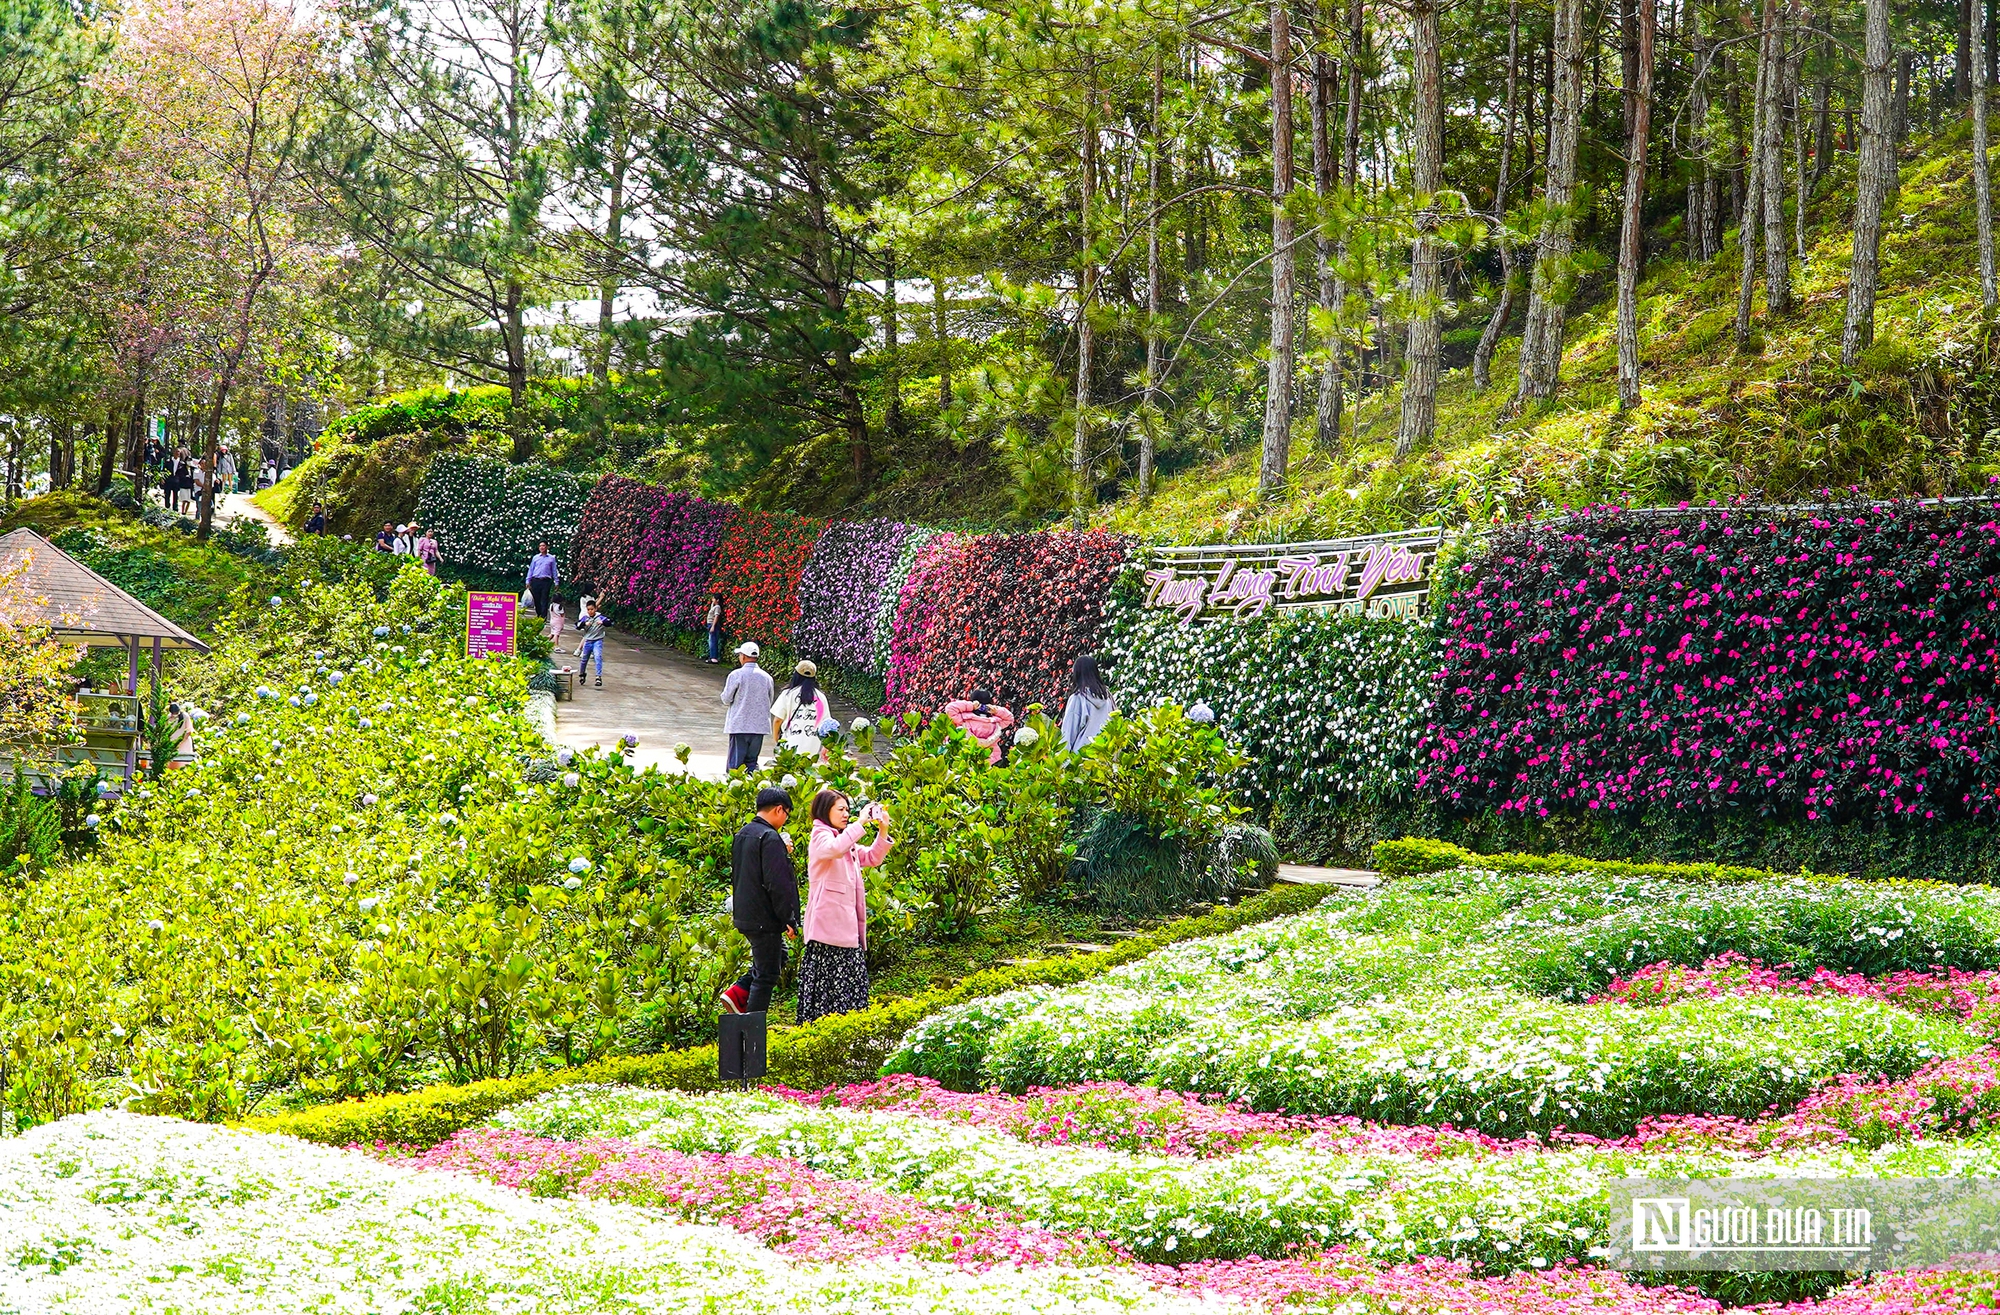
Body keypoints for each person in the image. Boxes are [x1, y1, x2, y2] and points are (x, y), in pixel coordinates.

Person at [796, 790, 892, 1023]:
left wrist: (883, 830)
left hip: (846, 931)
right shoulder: (820, 835)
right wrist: (860, 822)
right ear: (824, 810)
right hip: (826, 932)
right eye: (841, 809)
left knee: (850, 994)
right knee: (828, 996)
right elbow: (834, 848)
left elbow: (872, 857)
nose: (846, 814)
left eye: (848, 810)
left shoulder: (842, 838)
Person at [718, 787, 798, 1015]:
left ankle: (737, 994)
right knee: (767, 976)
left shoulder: (744, 832)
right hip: (764, 917)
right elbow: (777, 884)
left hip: (746, 913)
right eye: (787, 814)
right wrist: (788, 919)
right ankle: (752, 1027)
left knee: (778, 956)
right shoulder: (770, 837)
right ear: (779, 809)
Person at [719, 641, 775, 772]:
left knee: (736, 764)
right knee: (752, 762)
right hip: (759, 726)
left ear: (743, 656)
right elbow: (769, 700)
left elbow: (726, 699)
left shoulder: (736, 675)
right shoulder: (767, 677)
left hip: (740, 725)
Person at [770, 661, 832, 760]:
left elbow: (778, 720)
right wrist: (826, 746)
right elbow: (827, 725)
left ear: (796, 675)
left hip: (789, 746)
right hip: (812, 747)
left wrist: (776, 738)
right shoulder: (821, 698)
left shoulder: (788, 694)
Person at [1060, 654, 1116, 752]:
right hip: (1105, 758)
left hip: (1082, 760)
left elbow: (1068, 734)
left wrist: (1061, 762)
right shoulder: (1108, 698)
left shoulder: (1078, 699)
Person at [945, 687, 1015, 763]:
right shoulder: (995, 723)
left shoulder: (963, 719)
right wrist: (996, 710)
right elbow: (1009, 718)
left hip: (965, 760)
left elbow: (950, 708)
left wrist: (971, 706)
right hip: (989, 762)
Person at [574, 597, 607, 687]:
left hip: (597, 641)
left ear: (596, 609)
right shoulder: (585, 618)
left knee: (598, 657)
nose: (590, 611)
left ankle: (598, 677)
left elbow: (610, 622)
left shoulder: (600, 617)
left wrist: (603, 623)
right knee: (584, 659)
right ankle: (582, 674)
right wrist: (584, 624)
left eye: (592, 609)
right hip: (588, 641)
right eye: (588, 609)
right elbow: (577, 625)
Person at [525, 541, 560, 620]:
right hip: (535, 580)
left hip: (546, 581)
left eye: (543, 545)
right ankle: (539, 614)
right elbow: (531, 569)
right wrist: (528, 580)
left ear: (547, 547)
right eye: (540, 546)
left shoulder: (551, 558)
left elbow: (554, 570)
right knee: (536, 599)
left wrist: (556, 581)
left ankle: (543, 617)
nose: (542, 547)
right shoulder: (535, 557)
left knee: (544, 599)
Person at [704, 593, 725, 663]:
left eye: (713, 598)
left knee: (713, 641)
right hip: (710, 624)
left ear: (717, 600)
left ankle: (714, 657)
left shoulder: (717, 607)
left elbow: (716, 616)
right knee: (711, 641)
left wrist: (713, 626)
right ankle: (712, 656)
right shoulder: (714, 606)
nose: (712, 600)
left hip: (713, 625)